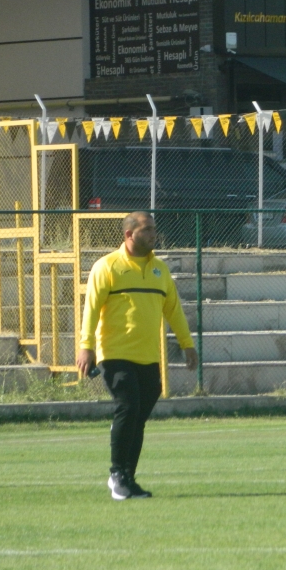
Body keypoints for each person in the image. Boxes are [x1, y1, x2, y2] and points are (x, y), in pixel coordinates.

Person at [76, 211, 198, 501]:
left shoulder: (160, 270)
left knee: (137, 417)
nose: (153, 234)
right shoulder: (107, 266)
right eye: (147, 230)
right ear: (129, 234)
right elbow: (91, 308)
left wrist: (187, 344)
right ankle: (117, 474)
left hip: (148, 355)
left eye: (154, 229)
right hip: (115, 353)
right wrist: (86, 345)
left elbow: (173, 309)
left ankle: (128, 478)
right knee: (128, 407)